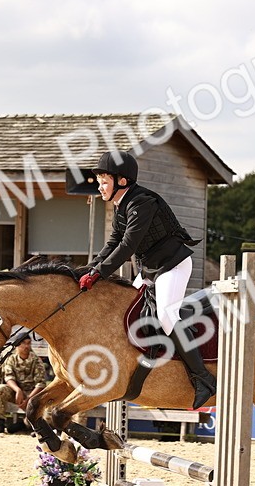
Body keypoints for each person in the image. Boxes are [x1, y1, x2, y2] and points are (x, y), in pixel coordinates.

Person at [76, 149, 214, 409]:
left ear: (122, 181)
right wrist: (88, 269)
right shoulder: (121, 206)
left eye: (104, 181)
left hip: (172, 266)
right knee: (126, 310)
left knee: (165, 315)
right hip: (151, 270)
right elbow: (113, 243)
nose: (100, 186)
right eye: (100, 181)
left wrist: (100, 273)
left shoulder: (143, 202)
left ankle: (203, 378)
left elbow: (128, 246)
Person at [0, 338, 50, 434]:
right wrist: (18, 390)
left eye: (28, 343)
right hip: (16, 392)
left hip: (32, 393)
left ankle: (32, 426)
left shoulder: (36, 360)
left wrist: (29, 400)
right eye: (23, 344)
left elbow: (40, 384)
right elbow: (8, 378)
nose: (26, 346)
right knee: (1, 389)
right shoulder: (11, 359)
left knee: (43, 399)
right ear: (17, 346)